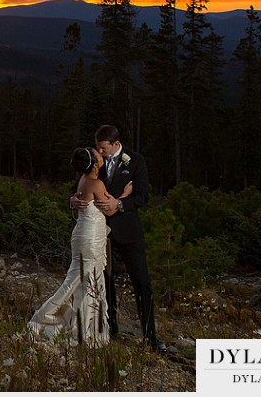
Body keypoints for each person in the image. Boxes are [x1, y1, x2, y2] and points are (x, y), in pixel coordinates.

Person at [72, 124, 166, 354]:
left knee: (141, 281)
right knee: (104, 280)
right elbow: (79, 185)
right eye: (97, 147)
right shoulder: (95, 161)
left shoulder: (135, 160)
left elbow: (143, 195)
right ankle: (109, 326)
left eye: (103, 148)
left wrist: (121, 203)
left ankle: (150, 335)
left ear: (115, 144)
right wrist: (72, 199)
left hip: (127, 229)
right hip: (98, 230)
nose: (99, 152)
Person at [28, 146, 131, 346]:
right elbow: (109, 211)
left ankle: (84, 326)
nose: (101, 156)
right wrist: (125, 195)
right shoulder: (96, 184)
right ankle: (45, 318)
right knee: (80, 280)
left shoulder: (84, 180)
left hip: (85, 233)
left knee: (85, 281)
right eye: (97, 155)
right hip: (90, 237)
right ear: (94, 164)